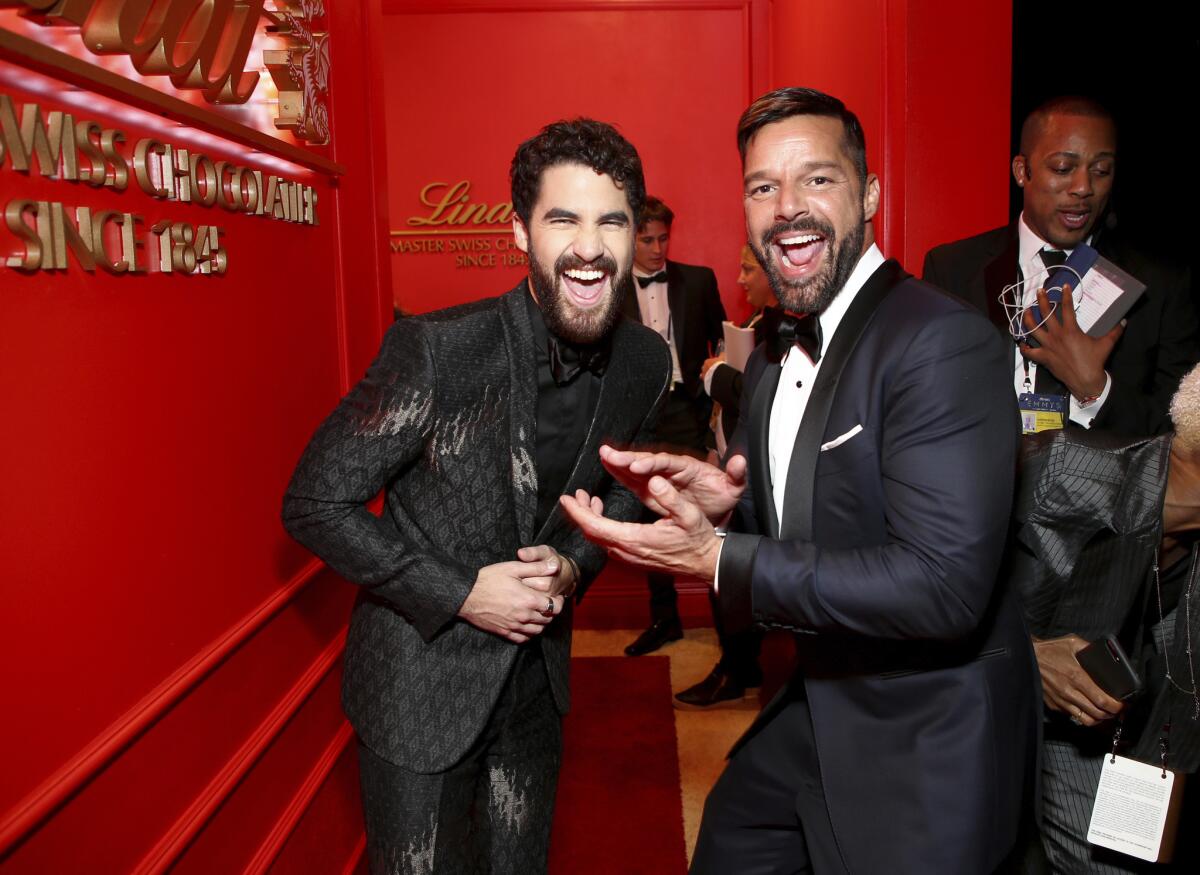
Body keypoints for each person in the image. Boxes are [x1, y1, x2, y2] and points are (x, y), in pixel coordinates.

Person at [562, 87, 1038, 873]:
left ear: (871, 195)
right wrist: (730, 499)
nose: (787, 207)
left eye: (817, 179)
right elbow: (817, 508)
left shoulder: (940, 342)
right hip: (816, 702)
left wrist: (719, 558)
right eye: (762, 187)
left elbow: (944, 586)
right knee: (731, 843)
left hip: (923, 736)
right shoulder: (780, 349)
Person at [282, 119, 671, 874]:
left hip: (535, 693)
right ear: (519, 229)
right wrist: (461, 592)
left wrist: (571, 564)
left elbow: (627, 493)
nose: (590, 247)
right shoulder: (437, 351)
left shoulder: (644, 363)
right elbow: (313, 502)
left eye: (611, 222)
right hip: (418, 694)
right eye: (564, 219)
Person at [1008, 364, 1200, 872]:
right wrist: (1024, 653)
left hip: (1095, 737)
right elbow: (910, 600)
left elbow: (1179, 713)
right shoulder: (1058, 470)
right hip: (962, 712)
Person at [923, 96, 1198, 439]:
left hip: (1103, 490)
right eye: (1063, 168)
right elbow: (929, 402)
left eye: (1101, 171)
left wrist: (1094, 388)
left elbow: (1180, 435)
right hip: (988, 487)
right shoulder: (953, 268)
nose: (1084, 188)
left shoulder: (1159, 283)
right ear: (1022, 171)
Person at [621, 196, 727, 656]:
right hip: (639, 415)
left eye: (664, 238)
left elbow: (722, 343)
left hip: (689, 410)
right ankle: (665, 620)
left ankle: (729, 626)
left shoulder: (698, 282)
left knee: (712, 515)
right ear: (629, 238)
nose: (657, 248)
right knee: (649, 515)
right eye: (647, 239)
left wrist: (714, 418)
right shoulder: (609, 286)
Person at [672, 243, 776, 709]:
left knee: (730, 578)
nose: (740, 279)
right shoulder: (757, 324)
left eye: (748, 269)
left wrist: (718, 378)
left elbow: (761, 401)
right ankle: (741, 665)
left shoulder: (786, 332)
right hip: (735, 466)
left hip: (758, 480)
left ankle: (738, 669)